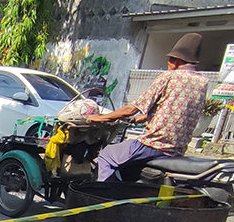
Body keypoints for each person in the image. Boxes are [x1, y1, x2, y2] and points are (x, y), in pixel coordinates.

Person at [88, 33, 208, 181]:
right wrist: (145, 117)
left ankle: (103, 195)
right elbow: (179, 109)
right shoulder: (202, 82)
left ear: (175, 61)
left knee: (107, 154)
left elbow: (131, 109)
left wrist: (101, 117)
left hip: (154, 145)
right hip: (177, 148)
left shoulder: (169, 77)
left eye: (169, 60)